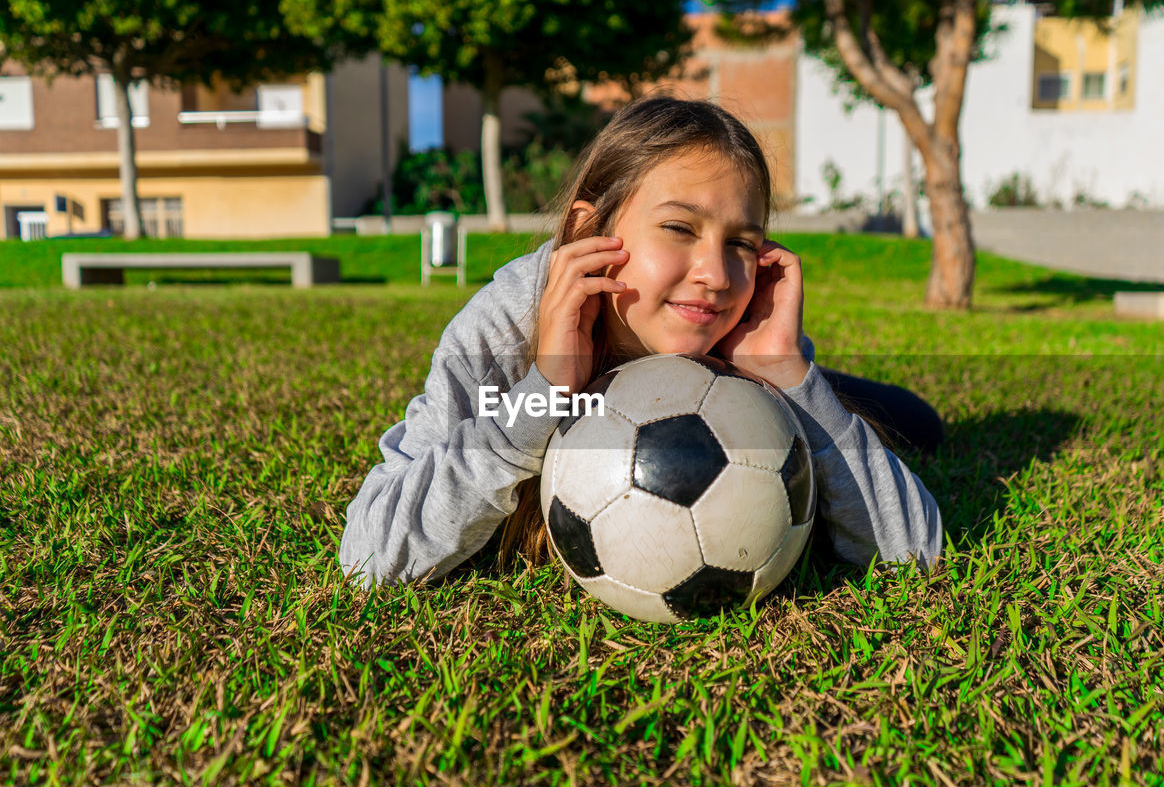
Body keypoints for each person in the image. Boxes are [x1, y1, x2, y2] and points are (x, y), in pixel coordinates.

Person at [339, 97, 943, 590]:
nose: (715, 273)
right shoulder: (502, 333)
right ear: (587, 230)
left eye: (741, 242)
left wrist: (791, 378)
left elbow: (915, 553)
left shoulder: (742, 319)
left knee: (920, 423)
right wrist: (542, 394)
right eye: (679, 229)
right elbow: (368, 554)